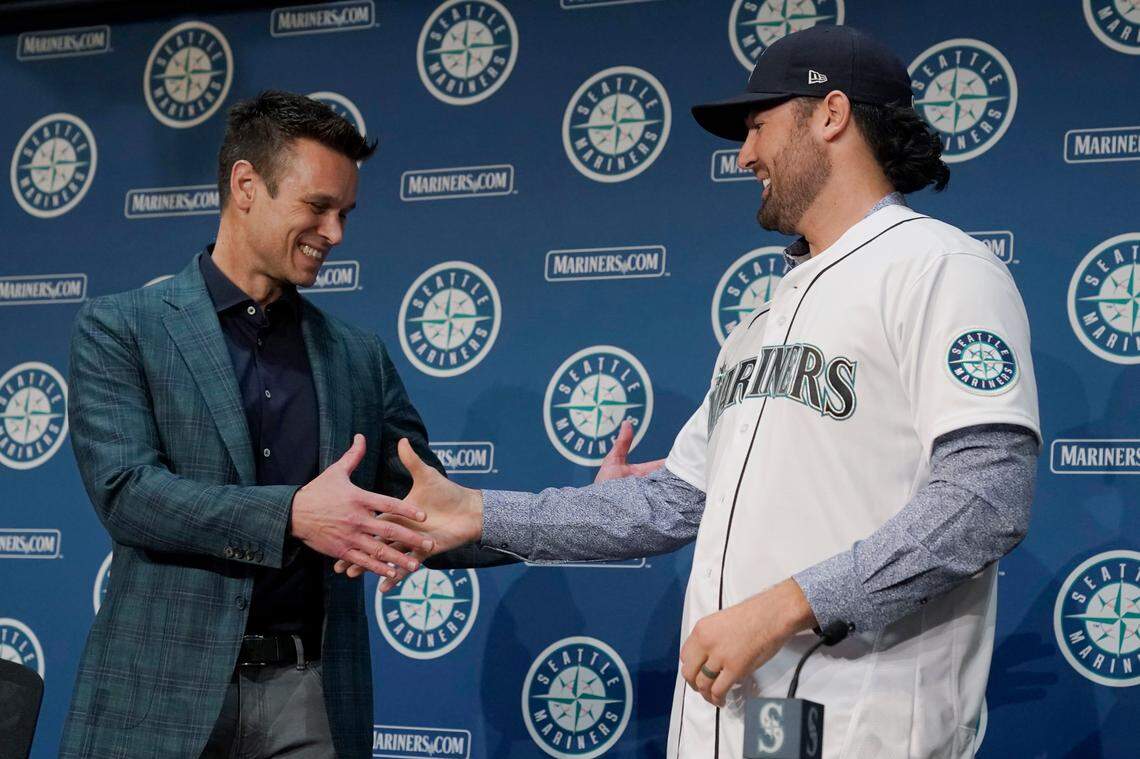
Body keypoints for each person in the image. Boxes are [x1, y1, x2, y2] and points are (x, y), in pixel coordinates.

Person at [347, 25, 1041, 759]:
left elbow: (986, 497)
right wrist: (481, 512)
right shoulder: (759, 322)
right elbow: (670, 501)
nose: (744, 155)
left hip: (863, 725)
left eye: (758, 126)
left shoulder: (939, 269)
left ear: (830, 115)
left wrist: (783, 607)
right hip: (727, 726)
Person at [62, 91, 445, 758]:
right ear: (246, 185)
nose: (336, 234)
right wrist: (293, 514)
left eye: (345, 214)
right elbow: (128, 492)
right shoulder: (121, 326)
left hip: (312, 697)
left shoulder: (359, 355)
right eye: (318, 208)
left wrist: (578, 507)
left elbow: (429, 504)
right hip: (158, 695)